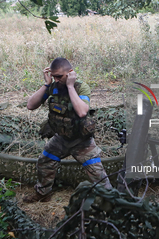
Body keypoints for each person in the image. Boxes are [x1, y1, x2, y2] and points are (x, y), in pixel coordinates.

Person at [23, 57, 112, 203]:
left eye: (59, 76)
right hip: (61, 139)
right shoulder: (53, 87)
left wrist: (70, 86)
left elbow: (82, 111)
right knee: (45, 161)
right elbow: (31, 105)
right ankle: (43, 193)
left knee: (97, 174)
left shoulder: (80, 87)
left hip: (81, 140)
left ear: (70, 73)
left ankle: (110, 200)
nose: (56, 79)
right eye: (54, 76)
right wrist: (46, 84)